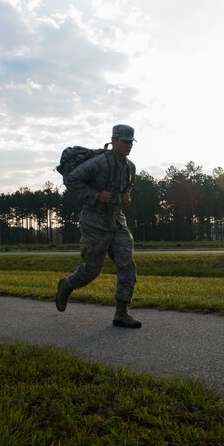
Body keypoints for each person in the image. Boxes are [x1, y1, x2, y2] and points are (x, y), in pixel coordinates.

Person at [55, 124, 141, 328]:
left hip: (117, 221)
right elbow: (72, 179)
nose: (128, 145)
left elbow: (125, 190)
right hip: (94, 222)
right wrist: (95, 195)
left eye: (131, 142)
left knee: (127, 264)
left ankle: (121, 312)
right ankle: (67, 285)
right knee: (92, 270)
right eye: (124, 141)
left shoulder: (130, 167)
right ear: (113, 141)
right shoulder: (99, 162)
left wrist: (125, 199)